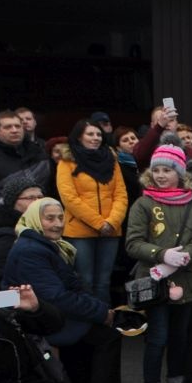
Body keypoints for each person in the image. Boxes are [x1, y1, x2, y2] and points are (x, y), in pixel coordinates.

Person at [2, 198, 133, 383]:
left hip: (46, 312)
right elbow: (57, 296)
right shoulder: (32, 250)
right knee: (107, 334)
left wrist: (98, 308)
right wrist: (102, 313)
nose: (57, 224)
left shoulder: (43, 245)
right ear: (35, 221)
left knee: (90, 328)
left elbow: (71, 287)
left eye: (61, 218)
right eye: (49, 218)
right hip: (37, 318)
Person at [123, 145, 192, 383]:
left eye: (167, 170)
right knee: (157, 339)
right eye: (156, 170)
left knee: (180, 339)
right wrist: (162, 254)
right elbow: (132, 243)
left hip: (186, 279)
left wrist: (185, 256)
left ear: (179, 174)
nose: (161, 175)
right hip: (155, 281)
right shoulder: (143, 204)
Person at [55, 118, 129, 306]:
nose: (96, 138)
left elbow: (120, 194)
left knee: (104, 282)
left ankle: (105, 319)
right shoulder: (66, 162)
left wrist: (112, 222)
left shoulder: (112, 160)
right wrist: (99, 223)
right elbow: (69, 198)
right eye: (90, 134)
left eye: (98, 134)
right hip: (80, 232)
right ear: (79, 137)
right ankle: (87, 319)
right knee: (84, 280)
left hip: (110, 230)